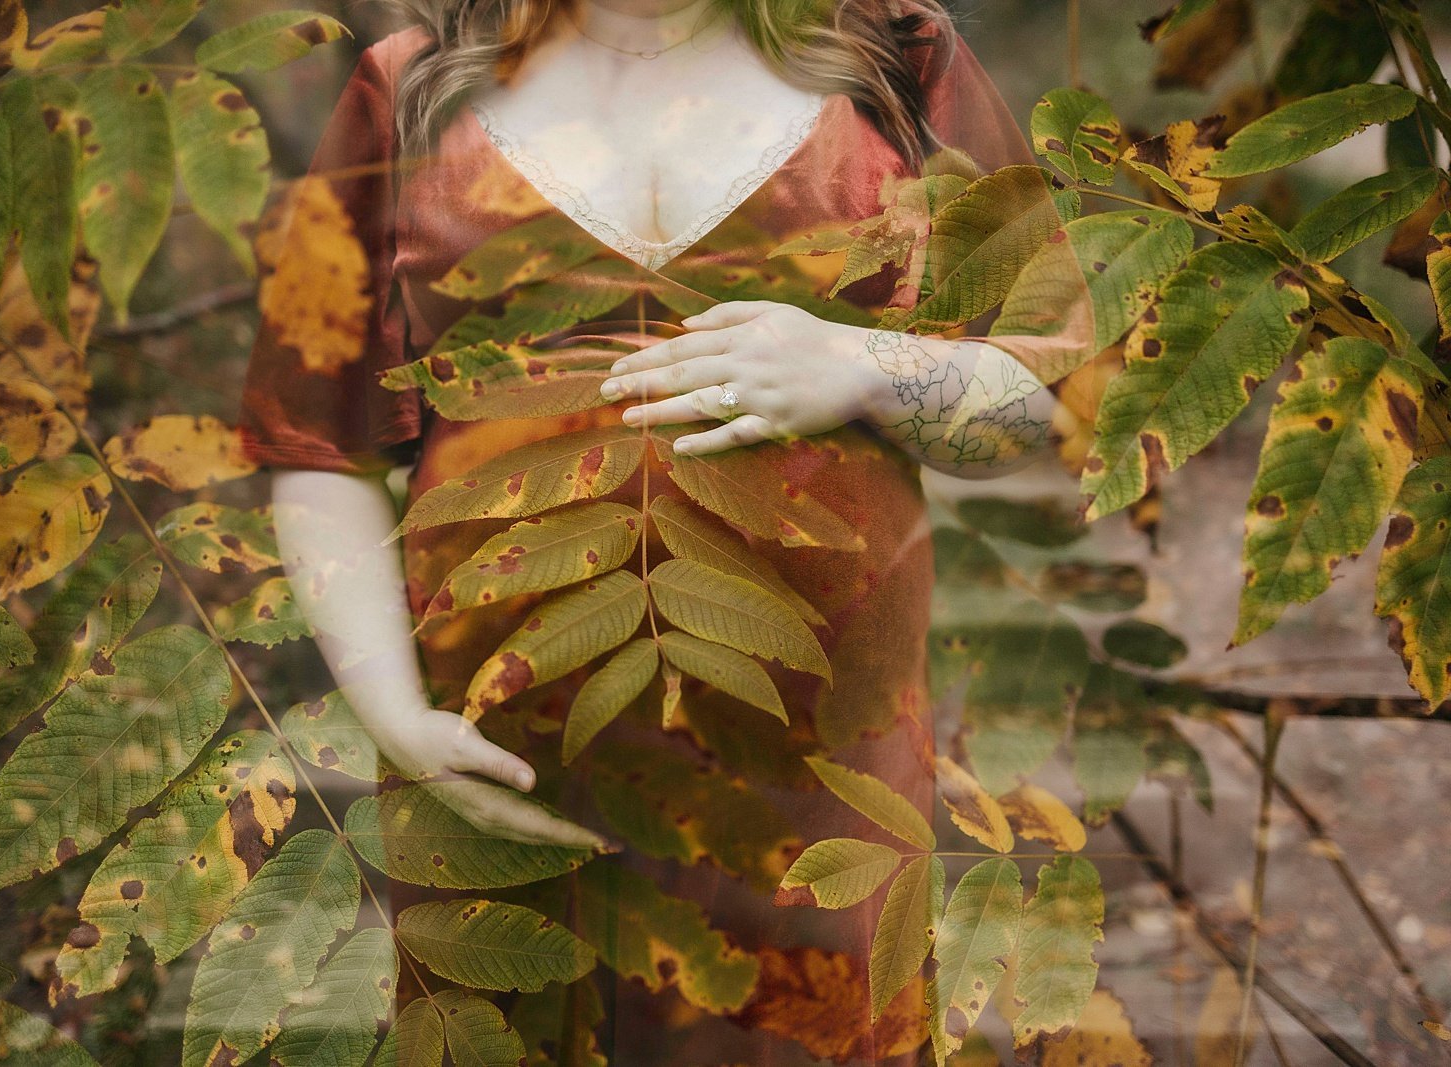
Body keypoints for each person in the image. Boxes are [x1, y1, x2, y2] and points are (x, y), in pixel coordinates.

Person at [237, 0, 1093, 1060]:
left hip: (815, 758)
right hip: (496, 742)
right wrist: (394, 713)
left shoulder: (896, 58)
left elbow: (1045, 389)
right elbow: (318, 441)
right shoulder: (411, 87)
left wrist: (857, 365)